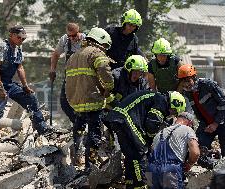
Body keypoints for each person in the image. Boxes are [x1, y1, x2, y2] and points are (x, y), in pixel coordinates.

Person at [0, 25, 53, 145]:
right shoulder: (2, 47)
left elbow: (20, 68)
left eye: (24, 39)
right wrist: (0, 88)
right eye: (20, 38)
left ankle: (43, 130)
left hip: (9, 83)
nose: (22, 40)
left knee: (30, 99)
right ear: (12, 35)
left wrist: (25, 86)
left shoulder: (18, 49)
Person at [105, 90, 186, 188]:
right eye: (173, 111)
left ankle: (130, 183)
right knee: (139, 154)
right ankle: (141, 185)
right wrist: (154, 144)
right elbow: (151, 126)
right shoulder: (161, 102)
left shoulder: (155, 98)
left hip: (118, 120)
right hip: (126, 120)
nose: (170, 114)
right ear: (173, 103)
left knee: (131, 155)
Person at [65, 27, 114, 169]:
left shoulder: (74, 55)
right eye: (105, 47)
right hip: (91, 100)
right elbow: (104, 70)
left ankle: (76, 156)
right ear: (101, 41)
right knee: (94, 132)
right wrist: (109, 87)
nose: (104, 50)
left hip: (76, 101)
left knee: (79, 128)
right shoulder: (95, 52)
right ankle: (91, 164)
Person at [177, 64, 225, 157]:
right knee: (198, 150)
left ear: (194, 77)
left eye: (188, 81)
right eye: (183, 82)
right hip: (206, 123)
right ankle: (214, 164)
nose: (186, 85)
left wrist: (215, 124)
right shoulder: (187, 93)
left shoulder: (208, 85)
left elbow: (224, 104)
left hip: (224, 121)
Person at [147, 112, 200, 189]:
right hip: (170, 170)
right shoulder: (188, 129)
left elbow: (151, 151)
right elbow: (195, 152)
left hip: (151, 170)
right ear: (190, 122)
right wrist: (189, 164)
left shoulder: (160, 133)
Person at [49, 23, 86, 123]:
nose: (72, 38)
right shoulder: (65, 40)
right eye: (69, 36)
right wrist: (52, 70)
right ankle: (78, 124)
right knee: (64, 103)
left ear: (79, 32)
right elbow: (55, 54)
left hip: (84, 78)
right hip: (69, 77)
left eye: (74, 35)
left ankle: (84, 125)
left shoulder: (86, 40)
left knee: (82, 104)